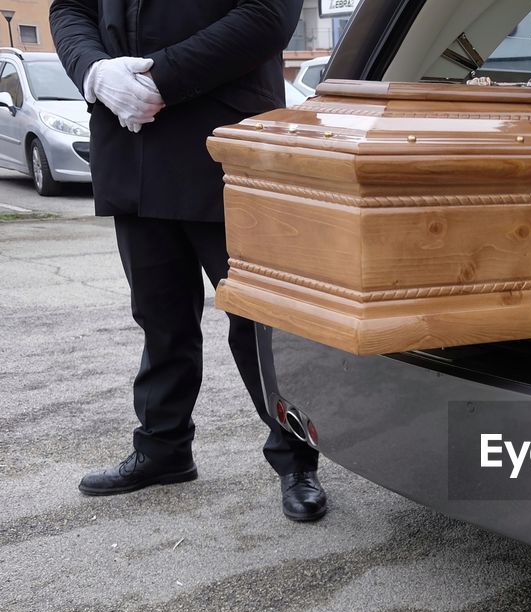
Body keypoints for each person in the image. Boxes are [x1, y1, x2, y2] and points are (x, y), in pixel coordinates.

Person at [50, 0, 327, 523]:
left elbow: (268, 14)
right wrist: (94, 71)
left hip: (223, 143)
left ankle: (295, 458)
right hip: (130, 143)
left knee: (259, 321)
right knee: (159, 315)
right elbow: (70, 8)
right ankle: (163, 448)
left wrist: (161, 81)